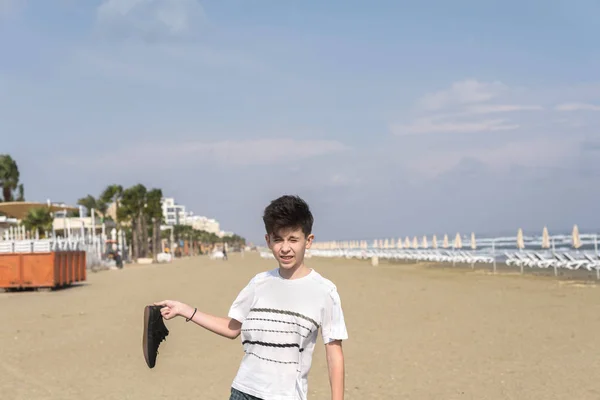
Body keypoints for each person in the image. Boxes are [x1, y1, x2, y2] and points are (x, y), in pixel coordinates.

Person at [155, 195, 348, 400]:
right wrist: (185, 310)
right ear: (268, 240)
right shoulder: (258, 284)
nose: (284, 248)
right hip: (243, 391)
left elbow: (334, 354)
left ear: (308, 241)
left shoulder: (324, 291)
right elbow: (232, 328)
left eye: (293, 239)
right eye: (277, 239)